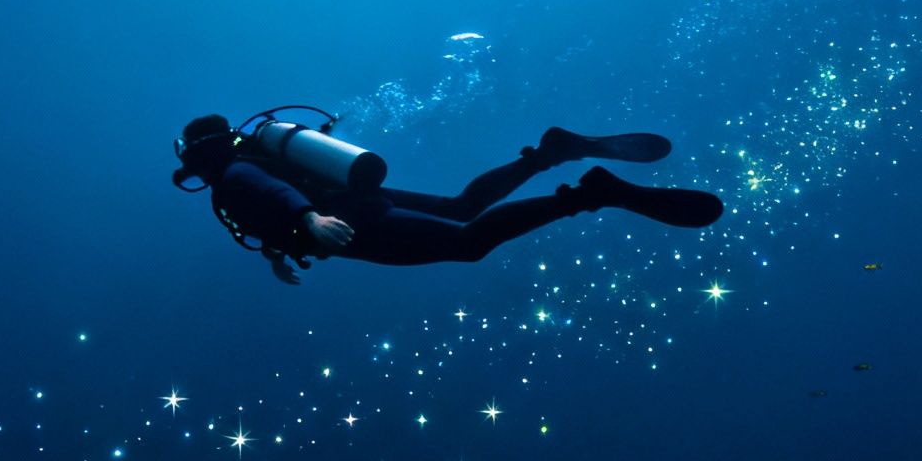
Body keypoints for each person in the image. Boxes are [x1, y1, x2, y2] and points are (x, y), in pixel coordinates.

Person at [172, 114, 724, 284]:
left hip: (344, 221)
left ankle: (587, 195)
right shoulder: (246, 163)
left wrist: (309, 220)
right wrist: (279, 250)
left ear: (198, 159)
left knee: (467, 244)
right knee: (462, 208)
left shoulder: (231, 176)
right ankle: (546, 156)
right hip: (355, 201)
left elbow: (268, 192)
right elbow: (268, 194)